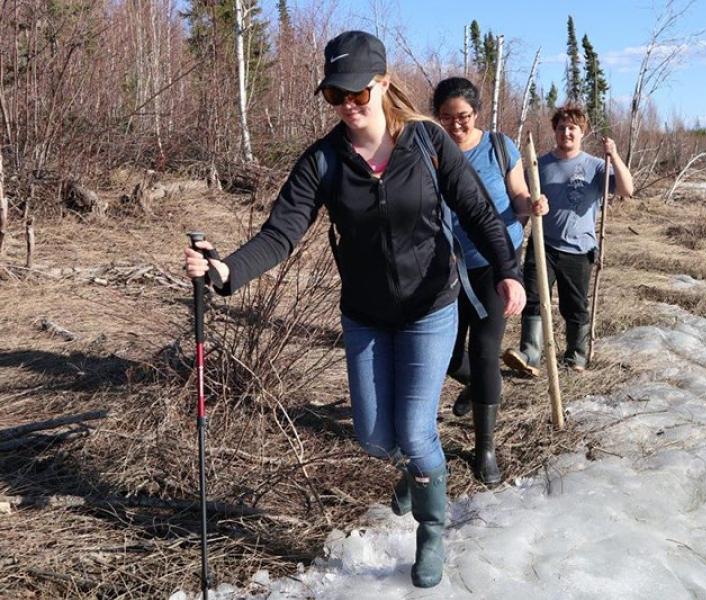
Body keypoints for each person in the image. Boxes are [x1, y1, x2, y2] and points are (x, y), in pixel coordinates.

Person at [183, 31, 525, 589]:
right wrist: (226, 272)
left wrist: (507, 271)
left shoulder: (428, 143)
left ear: (383, 84)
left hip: (430, 306)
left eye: (358, 94)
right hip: (366, 314)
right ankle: (418, 470)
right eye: (335, 95)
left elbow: (480, 211)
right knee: (373, 436)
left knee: (416, 434)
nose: (347, 105)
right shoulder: (324, 161)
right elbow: (279, 233)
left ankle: (431, 530)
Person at [431, 77, 546, 485]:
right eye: (446, 117)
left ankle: (485, 449)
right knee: (444, 354)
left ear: (476, 114)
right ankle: (478, 383)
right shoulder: (429, 150)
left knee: (484, 350)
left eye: (462, 116)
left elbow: (516, 195)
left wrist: (529, 204)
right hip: (444, 265)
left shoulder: (499, 146)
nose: (455, 125)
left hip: (494, 263)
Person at [503, 103, 633, 375]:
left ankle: (576, 356)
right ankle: (531, 354)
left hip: (579, 248)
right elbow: (523, 206)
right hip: (543, 245)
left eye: (572, 128)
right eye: (561, 128)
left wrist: (615, 156)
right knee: (534, 298)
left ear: (581, 131)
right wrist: (513, 239)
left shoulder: (596, 166)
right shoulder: (540, 165)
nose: (566, 133)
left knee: (574, 306)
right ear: (555, 130)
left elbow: (626, 189)